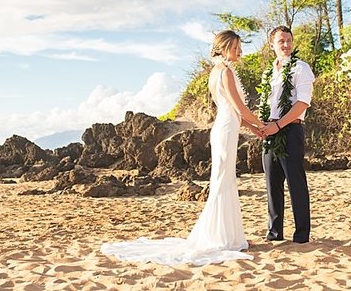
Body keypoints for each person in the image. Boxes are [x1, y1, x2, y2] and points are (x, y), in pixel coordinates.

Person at [101, 30, 265, 266]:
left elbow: (235, 110)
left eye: (240, 47)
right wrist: (264, 125)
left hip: (227, 126)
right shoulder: (225, 72)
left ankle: (228, 236)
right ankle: (220, 237)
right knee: (222, 181)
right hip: (227, 128)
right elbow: (239, 108)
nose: (240, 51)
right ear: (224, 48)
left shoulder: (217, 71)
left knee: (225, 179)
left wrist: (255, 128)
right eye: (236, 47)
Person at [260, 26, 315, 243]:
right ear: (271, 44)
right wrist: (264, 127)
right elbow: (267, 104)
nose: (286, 45)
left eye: (289, 40)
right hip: (270, 131)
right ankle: (274, 233)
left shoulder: (301, 68)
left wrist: (279, 125)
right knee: (272, 184)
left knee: (295, 182)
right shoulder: (268, 73)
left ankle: (301, 235)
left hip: (290, 129)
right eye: (281, 41)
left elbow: (302, 103)